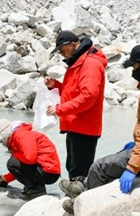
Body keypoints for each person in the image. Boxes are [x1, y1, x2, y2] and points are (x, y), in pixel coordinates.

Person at [59, 44, 140, 213]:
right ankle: (82, 186)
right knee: (116, 157)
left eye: (134, 66)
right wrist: (136, 145)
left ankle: (82, 203)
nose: (132, 71)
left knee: (99, 167)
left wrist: (133, 168)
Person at [45, 30, 108, 180]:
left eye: (61, 49)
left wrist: (59, 109)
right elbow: (72, 92)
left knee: (79, 172)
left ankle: (78, 200)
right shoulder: (79, 62)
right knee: (73, 167)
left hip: (84, 127)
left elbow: (88, 97)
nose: (61, 53)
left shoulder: (90, 64)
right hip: (76, 125)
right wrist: (56, 86)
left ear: (73, 45)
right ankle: (74, 199)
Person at [0, 119, 61, 201]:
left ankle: (35, 190)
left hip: (48, 173)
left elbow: (29, 159)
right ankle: (36, 188)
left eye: (0, 140)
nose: (1, 143)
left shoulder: (21, 135)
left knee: (11, 162)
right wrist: (6, 179)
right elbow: (24, 166)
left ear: (3, 135)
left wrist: (14, 155)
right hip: (48, 171)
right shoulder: (19, 134)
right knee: (13, 162)